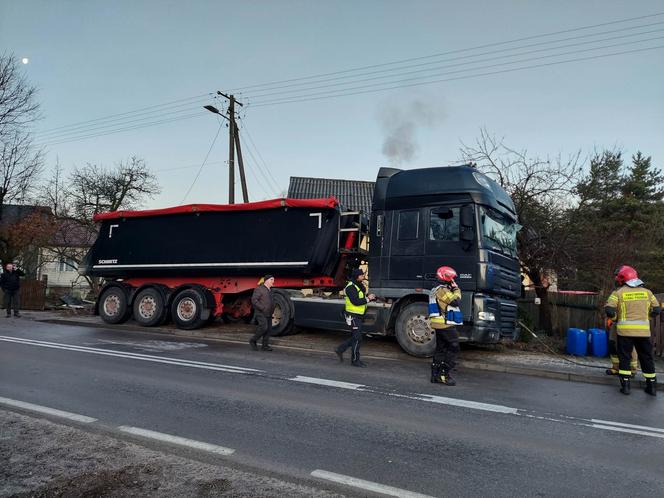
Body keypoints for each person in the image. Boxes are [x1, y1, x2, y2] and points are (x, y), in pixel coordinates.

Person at [605, 265, 660, 396]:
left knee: (624, 358)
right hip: (643, 333)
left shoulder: (618, 293)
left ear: (622, 279)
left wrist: (615, 318)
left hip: (625, 332)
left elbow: (609, 310)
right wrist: (646, 317)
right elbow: (657, 310)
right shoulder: (648, 292)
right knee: (647, 358)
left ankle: (625, 387)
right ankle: (651, 387)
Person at [428, 266, 462, 386]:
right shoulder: (442, 290)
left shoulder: (435, 289)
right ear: (446, 277)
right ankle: (444, 374)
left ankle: (435, 375)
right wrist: (456, 289)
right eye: (451, 279)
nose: (452, 281)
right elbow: (455, 302)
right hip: (444, 323)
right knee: (454, 346)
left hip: (439, 323)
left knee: (441, 349)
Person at [335, 268, 375, 367]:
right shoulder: (350, 287)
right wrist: (368, 299)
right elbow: (356, 302)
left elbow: (361, 297)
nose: (363, 276)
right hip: (352, 316)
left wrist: (370, 297)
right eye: (361, 275)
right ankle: (355, 360)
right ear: (357, 276)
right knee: (357, 338)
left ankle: (340, 349)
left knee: (356, 337)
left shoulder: (358, 285)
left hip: (358, 316)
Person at [250, 274, 275, 351]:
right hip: (261, 312)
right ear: (266, 280)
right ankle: (253, 340)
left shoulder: (270, 290)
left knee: (269, 330)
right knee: (264, 327)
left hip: (269, 313)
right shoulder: (259, 289)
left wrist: (272, 311)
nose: (273, 281)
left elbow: (271, 302)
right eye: (272, 280)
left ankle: (265, 346)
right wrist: (262, 308)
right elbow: (254, 300)